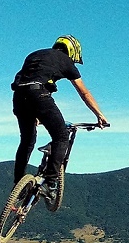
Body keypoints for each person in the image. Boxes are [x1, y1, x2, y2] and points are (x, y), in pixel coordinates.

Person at [11, 35, 109, 199]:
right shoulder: (65, 61)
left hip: (19, 97)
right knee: (62, 136)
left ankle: (18, 185)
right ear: (72, 51)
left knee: (27, 140)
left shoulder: (34, 55)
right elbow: (84, 92)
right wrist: (99, 115)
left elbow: (29, 78)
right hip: (38, 95)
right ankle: (51, 184)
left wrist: (35, 113)